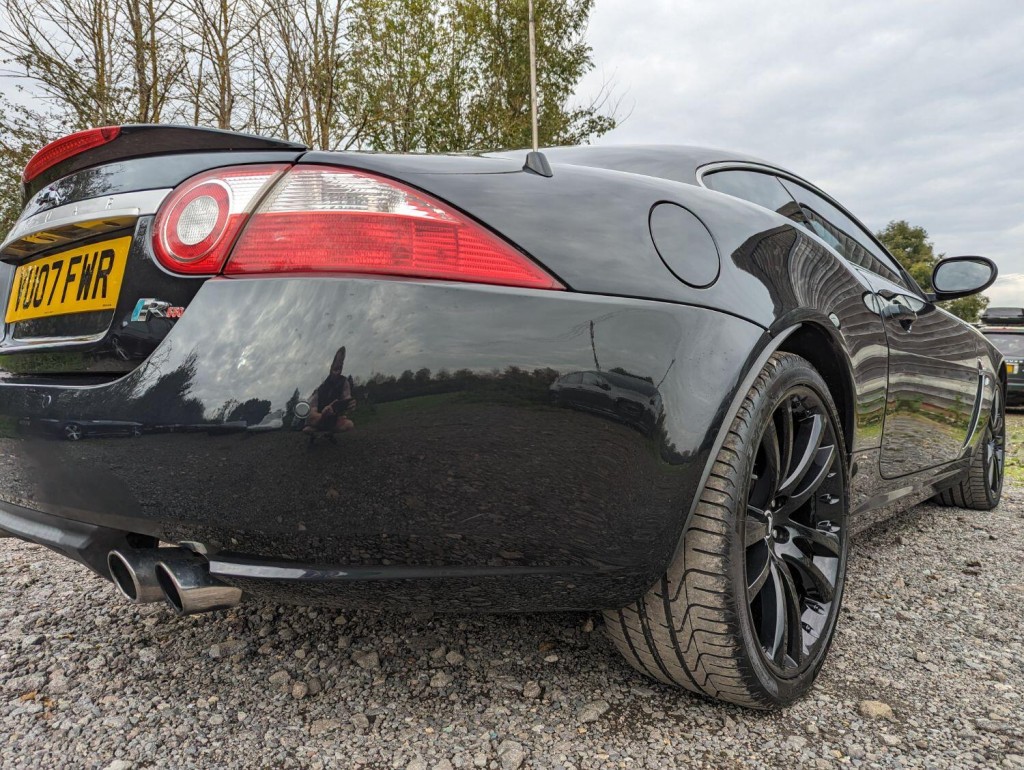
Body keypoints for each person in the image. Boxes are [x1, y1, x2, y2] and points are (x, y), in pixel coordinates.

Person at [304, 346, 356, 439]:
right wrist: (323, 414)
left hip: (333, 419)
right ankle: (321, 430)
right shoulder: (320, 388)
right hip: (319, 419)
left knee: (349, 424)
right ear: (331, 367)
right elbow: (311, 413)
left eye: (340, 368)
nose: (337, 372)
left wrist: (350, 404)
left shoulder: (344, 382)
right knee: (309, 425)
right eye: (335, 368)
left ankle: (326, 431)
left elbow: (347, 397)